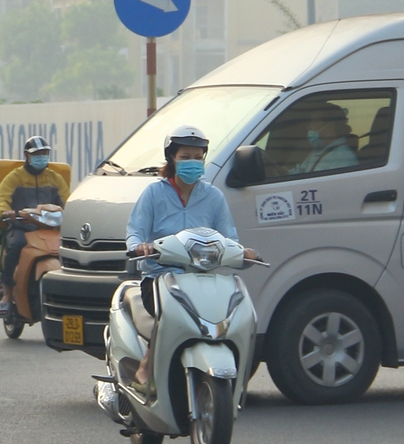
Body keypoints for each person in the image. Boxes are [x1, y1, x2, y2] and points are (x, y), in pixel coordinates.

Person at [125, 126, 258, 383]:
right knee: (169, 318)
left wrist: (244, 254)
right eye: (185, 157)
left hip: (203, 280)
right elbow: (135, 232)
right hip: (160, 279)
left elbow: (229, 240)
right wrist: (140, 247)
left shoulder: (213, 197)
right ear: (171, 159)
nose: (192, 163)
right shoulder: (153, 194)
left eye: (198, 157)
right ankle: (145, 367)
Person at [0, 135, 70, 318]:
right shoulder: (15, 177)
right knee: (15, 246)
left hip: (49, 229)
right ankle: (8, 294)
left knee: (67, 250)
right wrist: (6, 211)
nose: (41, 157)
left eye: (44, 153)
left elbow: (68, 200)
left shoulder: (55, 178)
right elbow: (1, 198)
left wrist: (73, 212)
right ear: (27, 155)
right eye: (37, 154)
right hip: (21, 226)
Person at [286, 101, 360, 175]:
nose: (309, 126)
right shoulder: (317, 151)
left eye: (314, 122)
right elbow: (299, 172)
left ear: (329, 128)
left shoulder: (343, 159)